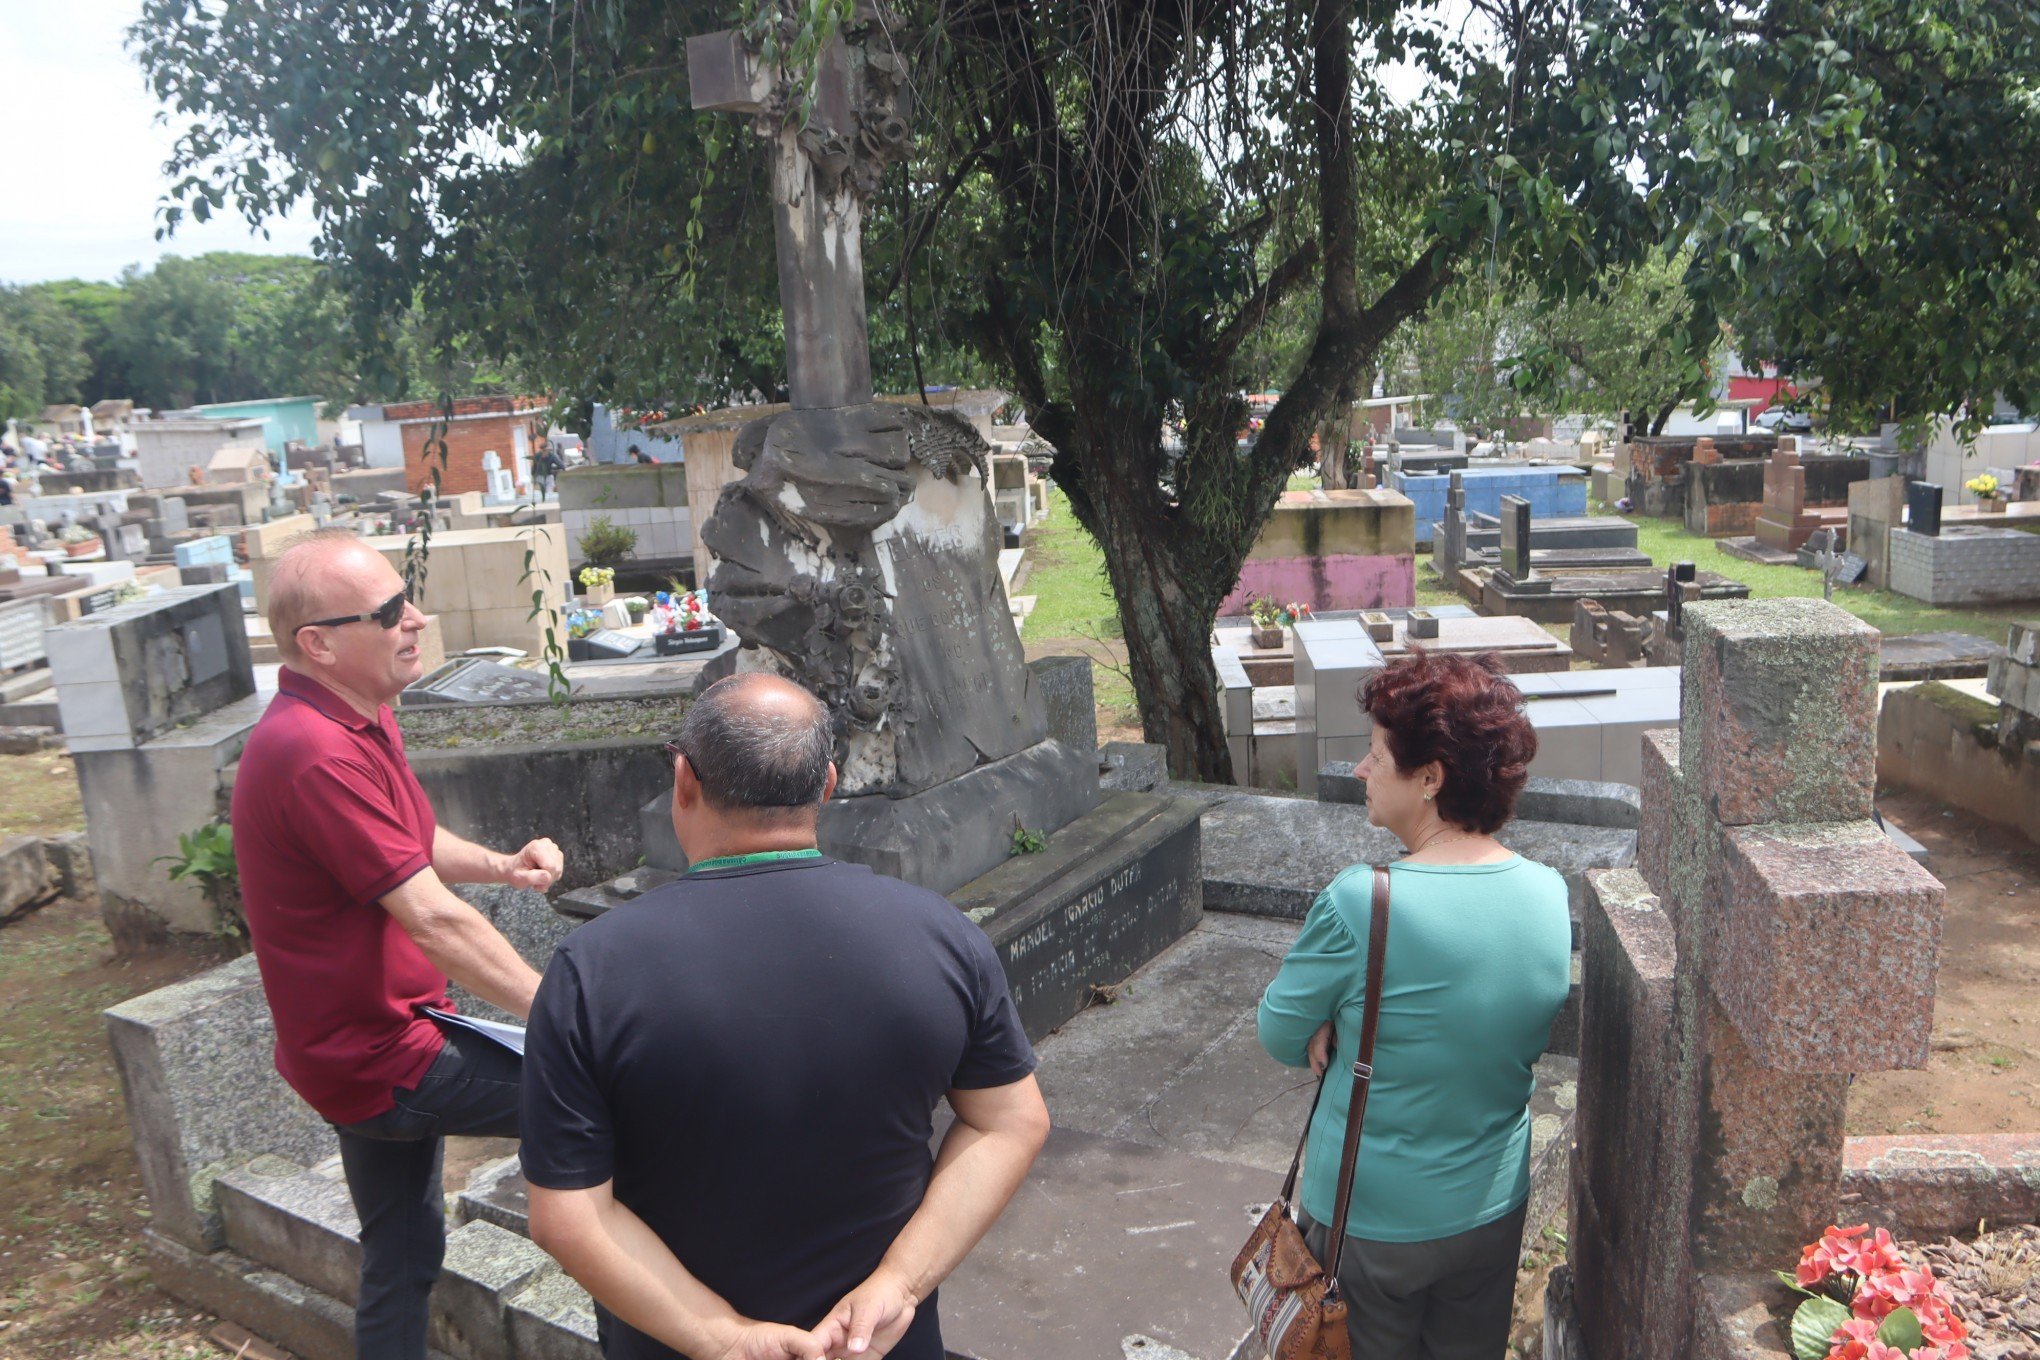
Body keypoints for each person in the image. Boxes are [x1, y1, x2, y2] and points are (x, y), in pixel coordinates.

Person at [520, 673, 1050, 1360]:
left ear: (683, 779)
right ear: (828, 784)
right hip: (881, 1344)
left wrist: (723, 1336)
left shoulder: (591, 969)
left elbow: (570, 1214)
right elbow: (1011, 1120)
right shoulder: (939, 934)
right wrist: (899, 1282)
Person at [231, 528, 565, 1360]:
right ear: (320, 643)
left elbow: (406, 842)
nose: (417, 618)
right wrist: (566, 1017)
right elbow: (432, 917)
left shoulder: (354, 718)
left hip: (362, 1047)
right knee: (615, 1096)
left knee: (405, 1256)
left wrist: (500, 864)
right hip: (385, 1056)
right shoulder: (312, 753)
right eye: (388, 611)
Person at [1256, 650, 1571, 1360]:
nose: (1361, 772)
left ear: (1429, 778)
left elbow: (1279, 1032)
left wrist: (1334, 1019)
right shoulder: (1548, 893)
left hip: (1372, 1222)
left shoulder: (1363, 902)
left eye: (1374, 756)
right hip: (1489, 1210)